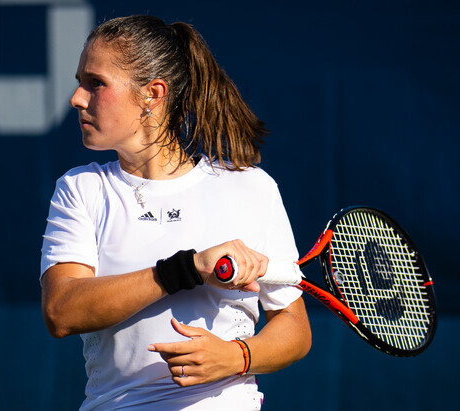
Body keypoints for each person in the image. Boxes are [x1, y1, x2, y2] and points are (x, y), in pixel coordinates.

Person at [40, 15, 311, 410]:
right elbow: (62, 311)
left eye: (95, 83)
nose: (77, 98)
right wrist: (187, 268)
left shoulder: (252, 187)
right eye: (80, 81)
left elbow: (294, 326)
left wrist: (237, 357)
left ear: (152, 94)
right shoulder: (81, 189)